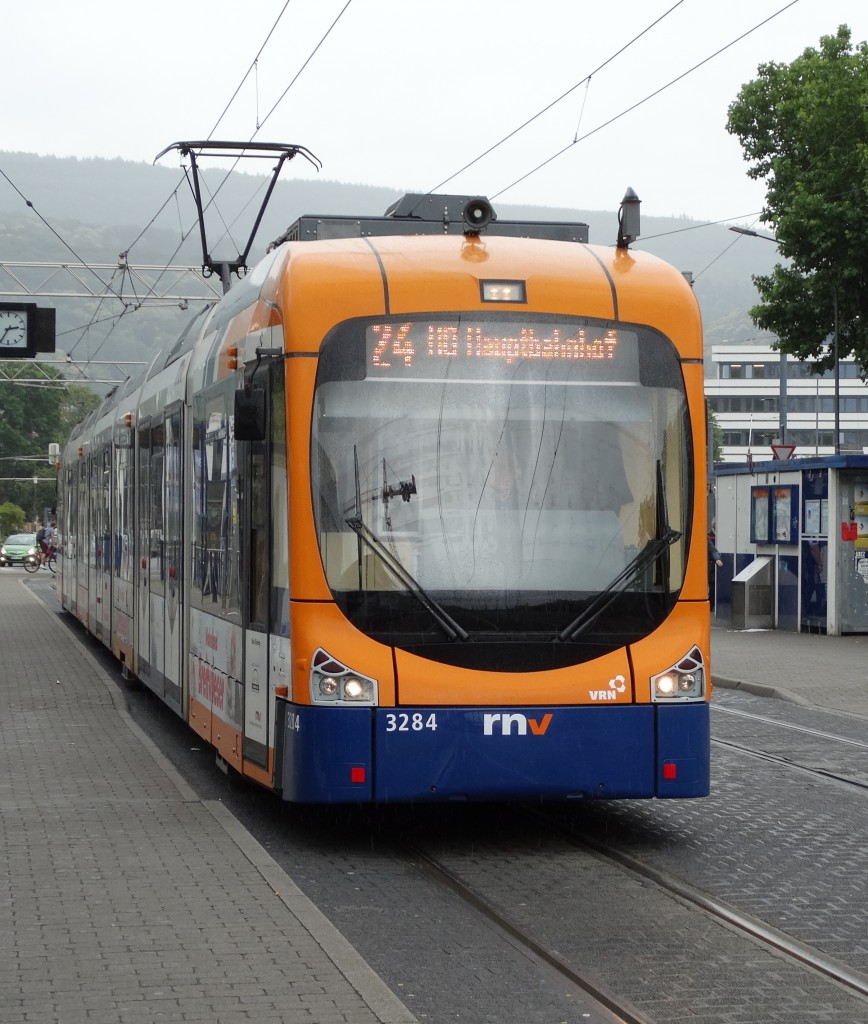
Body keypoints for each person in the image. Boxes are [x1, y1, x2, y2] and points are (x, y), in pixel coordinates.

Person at [708, 532, 723, 610]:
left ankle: (710, 606)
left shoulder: (706, 538)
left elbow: (713, 550)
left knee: (711, 587)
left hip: (707, 568)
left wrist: (717, 559)